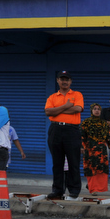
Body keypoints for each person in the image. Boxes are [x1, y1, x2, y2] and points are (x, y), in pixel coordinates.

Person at [44, 70, 84, 199]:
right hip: (55, 130)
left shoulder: (77, 94)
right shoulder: (52, 97)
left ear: (70, 81)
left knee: (73, 161)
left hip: (71, 131)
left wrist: (57, 110)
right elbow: (47, 112)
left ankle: (74, 190)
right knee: (57, 162)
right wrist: (66, 106)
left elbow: (78, 108)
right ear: (57, 81)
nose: (64, 81)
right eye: (62, 79)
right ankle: (57, 190)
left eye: (67, 79)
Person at [80, 103, 110, 195]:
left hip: (102, 150)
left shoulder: (104, 123)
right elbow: (82, 136)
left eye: (98, 109)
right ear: (91, 110)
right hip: (90, 149)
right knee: (91, 168)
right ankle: (93, 189)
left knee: (101, 168)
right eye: (95, 109)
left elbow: (108, 136)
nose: (97, 111)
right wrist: (82, 146)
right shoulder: (86, 122)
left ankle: (97, 187)